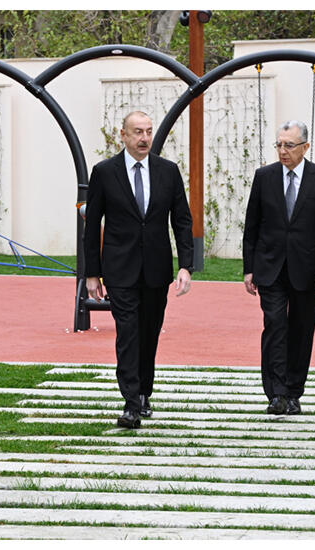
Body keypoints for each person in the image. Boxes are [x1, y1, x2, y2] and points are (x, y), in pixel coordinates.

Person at [83, 110, 194, 429]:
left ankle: (144, 392)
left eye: (148, 131)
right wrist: (92, 273)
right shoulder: (104, 172)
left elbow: (182, 220)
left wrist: (186, 265)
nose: (144, 137)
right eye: (137, 132)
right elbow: (93, 228)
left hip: (157, 269)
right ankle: (131, 402)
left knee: (148, 332)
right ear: (123, 135)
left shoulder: (168, 171)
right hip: (119, 269)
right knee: (128, 333)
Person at [242, 120, 315, 416]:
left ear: (305, 147)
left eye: (289, 145)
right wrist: (249, 269)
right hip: (270, 268)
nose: (283, 151)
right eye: (279, 145)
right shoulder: (264, 177)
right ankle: (276, 393)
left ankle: (294, 392)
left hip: (308, 270)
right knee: (274, 326)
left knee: (301, 330)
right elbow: (252, 225)